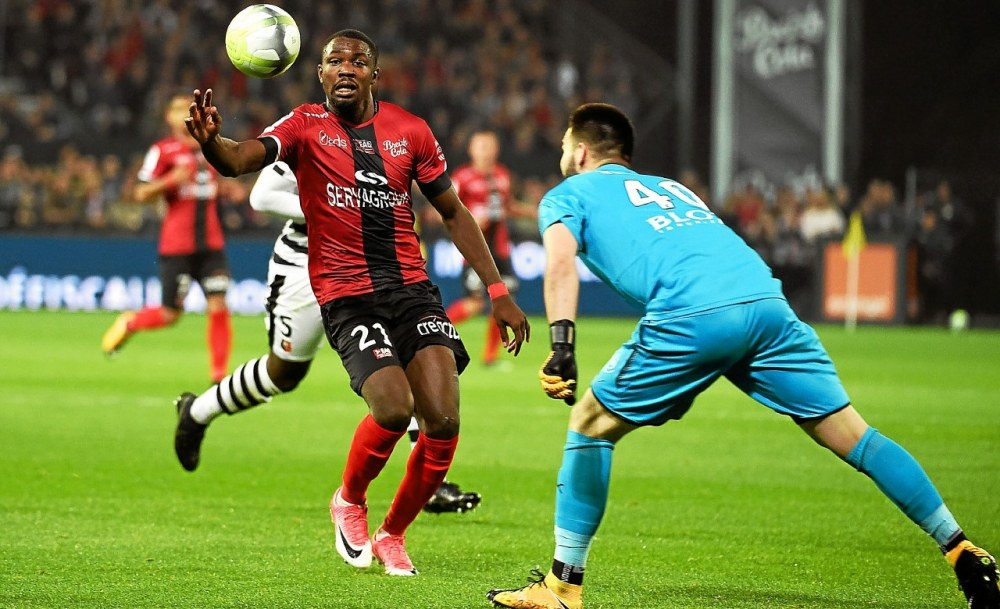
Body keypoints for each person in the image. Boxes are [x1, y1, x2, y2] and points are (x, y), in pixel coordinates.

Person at [487, 103, 998, 609]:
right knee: (854, 436)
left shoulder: (567, 194)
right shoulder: (673, 189)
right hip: (766, 303)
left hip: (693, 312)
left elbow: (559, 265)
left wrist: (562, 345)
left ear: (580, 152)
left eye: (563, 146)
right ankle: (960, 548)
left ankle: (562, 589)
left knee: (590, 424)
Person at [183, 29, 529, 577]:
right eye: (334, 61)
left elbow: (454, 212)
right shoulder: (303, 125)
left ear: (375, 74)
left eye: (358, 61)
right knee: (382, 405)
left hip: (410, 289)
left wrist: (498, 290)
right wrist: (211, 142)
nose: (346, 68)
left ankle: (393, 534)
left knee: (442, 421)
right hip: (344, 293)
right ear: (320, 73)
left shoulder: (410, 131)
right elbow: (240, 161)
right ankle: (348, 500)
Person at [173, 161, 481, 515]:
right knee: (283, 372)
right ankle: (198, 411)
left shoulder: (392, 140)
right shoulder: (307, 135)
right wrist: (334, 210)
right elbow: (263, 197)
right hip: (305, 266)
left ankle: (431, 483)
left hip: (370, 265)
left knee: (403, 357)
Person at [101, 92, 241, 383]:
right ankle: (130, 323)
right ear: (168, 117)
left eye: (187, 108)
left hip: (211, 244)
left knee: (218, 305)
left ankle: (218, 376)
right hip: (177, 245)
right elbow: (140, 193)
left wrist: (229, 190)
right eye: (177, 109)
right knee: (170, 315)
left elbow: (223, 178)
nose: (184, 113)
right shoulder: (162, 150)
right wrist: (169, 181)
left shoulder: (211, 146)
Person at [444, 130, 533, 367]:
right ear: (471, 150)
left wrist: (534, 212)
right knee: (474, 303)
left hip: (500, 250)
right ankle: (436, 330)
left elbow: (508, 206)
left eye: (490, 146)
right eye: (481, 146)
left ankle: (491, 356)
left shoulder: (502, 175)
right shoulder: (462, 177)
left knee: (504, 299)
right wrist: (473, 219)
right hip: (476, 251)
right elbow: (447, 209)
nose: (486, 151)